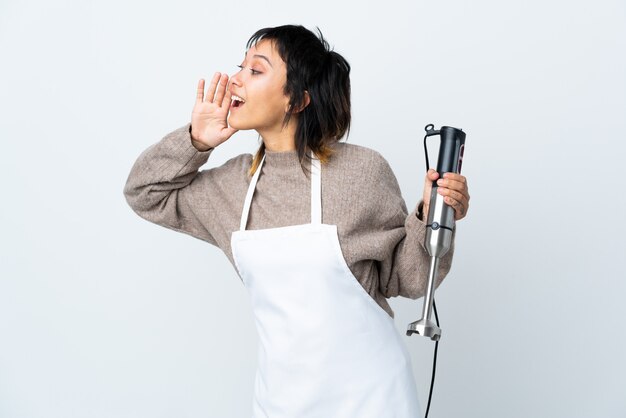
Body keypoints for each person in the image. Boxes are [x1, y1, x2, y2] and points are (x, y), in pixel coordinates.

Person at [123, 24, 470, 418]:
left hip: (372, 399)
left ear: (297, 100)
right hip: (280, 403)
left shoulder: (362, 172)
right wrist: (195, 142)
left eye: (256, 71)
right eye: (241, 67)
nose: (235, 79)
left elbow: (405, 280)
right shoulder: (233, 186)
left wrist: (430, 217)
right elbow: (144, 193)